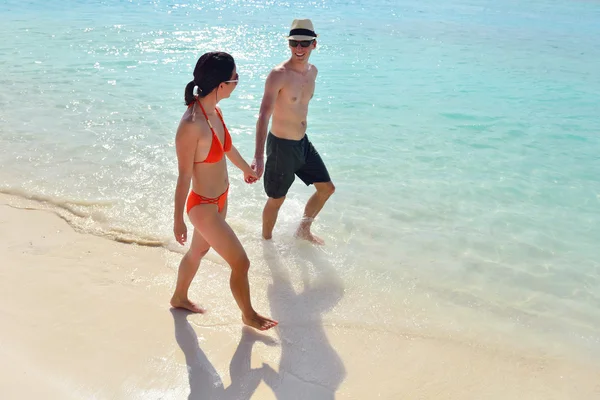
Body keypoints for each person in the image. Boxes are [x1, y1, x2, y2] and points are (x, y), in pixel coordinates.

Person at [171, 51, 277, 331]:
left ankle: (179, 297)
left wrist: (247, 169)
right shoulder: (191, 126)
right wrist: (178, 219)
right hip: (202, 206)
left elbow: (226, 147)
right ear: (220, 85)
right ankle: (248, 314)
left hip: (220, 200)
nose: (237, 82)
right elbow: (183, 177)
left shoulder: (214, 111)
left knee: (197, 252)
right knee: (241, 263)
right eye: (235, 78)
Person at [251, 19, 335, 245]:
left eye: (304, 43)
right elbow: (263, 115)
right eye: (294, 43)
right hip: (280, 146)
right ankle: (266, 243)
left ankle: (303, 231)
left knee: (326, 189)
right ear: (288, 44)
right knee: (276, 199)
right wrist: (259, 156)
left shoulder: (312, 72)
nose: (299, 48)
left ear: (314, 45)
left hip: (302, 143)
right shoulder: (278, 74)